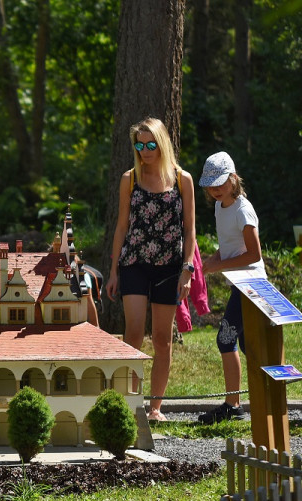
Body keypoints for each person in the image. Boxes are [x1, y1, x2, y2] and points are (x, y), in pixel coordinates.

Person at [105, 117, 196, 422]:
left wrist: (187, 269)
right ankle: (128, 401)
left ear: (162, 143)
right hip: (134, 264)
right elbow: (121, 227)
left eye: (150, 144)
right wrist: (114, 270)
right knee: (133, 333)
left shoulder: (183, 179)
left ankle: (155, 406)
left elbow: (190, 230)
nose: (144, 150)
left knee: (161, 338)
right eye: (139, 145)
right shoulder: (129, 179)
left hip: (169, 268)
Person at [197, 151, 264, 424]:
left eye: (220, 183)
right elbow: (227, 248)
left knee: (225, 338)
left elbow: (254, 255)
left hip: (252, 285)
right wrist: (208, 262)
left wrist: (217, 267)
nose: (214, 189)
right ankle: (263, 396)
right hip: (239, 283)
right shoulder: (219, 206)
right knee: (250, 346)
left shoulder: (242, 210)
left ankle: (233, 405)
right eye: (210, 185)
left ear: (233, 179)